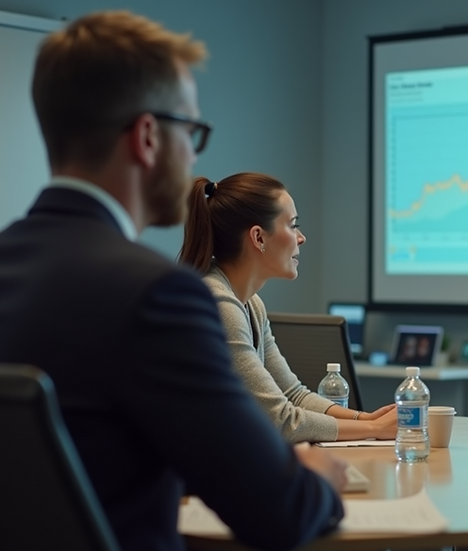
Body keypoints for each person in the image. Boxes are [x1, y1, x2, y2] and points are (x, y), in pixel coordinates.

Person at [0, 11, 346, 551]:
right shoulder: (158, 296)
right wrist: (323, 479)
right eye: (191, 132)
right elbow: (280, 511)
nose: (193, 158)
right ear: (147, 138)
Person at [179, 172, 397, 443]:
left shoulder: (251, 305)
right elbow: (280, 421)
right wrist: (375, 430)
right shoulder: (218, 304)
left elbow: (293, 395)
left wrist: (368, 419)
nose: (302, 238)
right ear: (258, 238)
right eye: (293, 225)